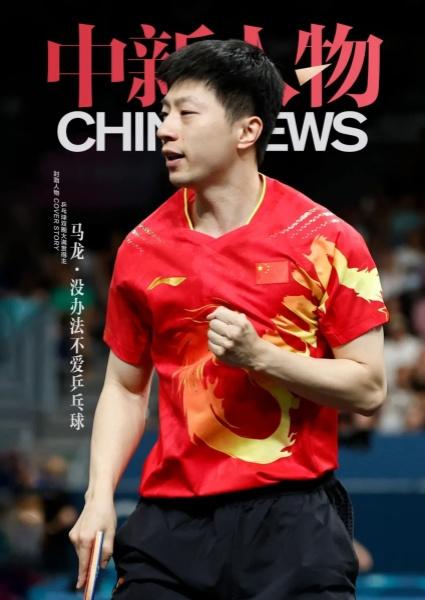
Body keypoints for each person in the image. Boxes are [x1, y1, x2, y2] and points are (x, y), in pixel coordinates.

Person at [69, 39, 389, 599]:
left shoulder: (327, 240)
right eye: (164, 113)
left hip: (291, 522)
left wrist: (259, 357)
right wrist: (98, 498)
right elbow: (124, 387)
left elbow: (368, 387)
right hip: (172, 525)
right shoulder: (142, 247)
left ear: (247, 131)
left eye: (186, 114)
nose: (165, 130)